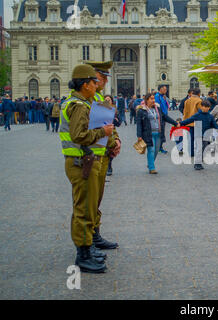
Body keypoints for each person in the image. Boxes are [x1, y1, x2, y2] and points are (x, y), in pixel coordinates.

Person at [60, 64, 114, 273]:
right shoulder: (79, 105)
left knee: (88, 206)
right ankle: (83, 254)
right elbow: (79, 135)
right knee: (83, 208)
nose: (97, 84)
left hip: (83, 160)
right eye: (93, 81)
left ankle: (87, 248)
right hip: (81, 161)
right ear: (85, 85)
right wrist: (103, 131)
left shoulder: (80, 102)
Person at [85, 61, 121, 250]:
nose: (106, 80)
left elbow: (108, 125)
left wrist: (116, 141)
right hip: (89, 156)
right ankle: (87, 244)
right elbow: (90, 129)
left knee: (96, 200)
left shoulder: (98, 97)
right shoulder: (85, 99)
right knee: (88, 202)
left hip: (101, 155)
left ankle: (94, 235)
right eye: (103, 77)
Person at [137, 92, 178, 174]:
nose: (153, 100)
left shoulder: (157, 109)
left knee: (156, 151)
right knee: (151, 150)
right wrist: (139, 135)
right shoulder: (141, 110)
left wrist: (175, 123)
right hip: (148, 134)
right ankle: (152, 168)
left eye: (154, 99)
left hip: (158, 133)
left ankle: (150, 163)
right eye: (151, 99)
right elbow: (139, 124)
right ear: (147, 100)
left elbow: (165, 117)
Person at [179, 100, 218, 170]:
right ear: (201, 107)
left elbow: (216, 126)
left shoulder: (210, 116)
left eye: (208, 107)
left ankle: (199, 161)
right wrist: (180, 124)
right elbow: (188, 120)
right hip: (198, 134)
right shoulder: (197, 115)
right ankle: (197, 164)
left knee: (204, 149)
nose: (206, 108)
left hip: (206, 135)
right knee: (199, 148)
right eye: (205, 107)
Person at [183, 88, 202, 157]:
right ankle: (198, 153)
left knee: (190, 139)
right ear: (199, 93)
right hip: (197, 123)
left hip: (188, 122)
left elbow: (185, 112)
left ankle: (191, 152)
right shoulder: (199, 101)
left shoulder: (187, 101)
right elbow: (201, 112)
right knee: (198, 139)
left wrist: (184, 121)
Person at [155, 85, 170, 154]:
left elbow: (166, 106)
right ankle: (159, 148)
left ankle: (160, 147)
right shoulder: (157, 97)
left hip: (164, 117)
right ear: (160, 89)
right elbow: (158, 108)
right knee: (160, 133)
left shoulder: (162, 97)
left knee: (162, 132)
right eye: (165, 89)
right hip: (161, 117)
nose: (166, 91)